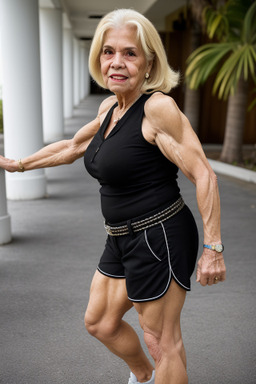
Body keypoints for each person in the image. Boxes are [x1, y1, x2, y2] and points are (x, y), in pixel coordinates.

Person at [0, 8, 226, 384]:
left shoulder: (156, 109)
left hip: (160, 237)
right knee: (101, 322)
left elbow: (203, 172)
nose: (116, 62)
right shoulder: (110, 108)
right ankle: (144, 376)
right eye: (109, 52)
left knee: (161, 340)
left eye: (130, 53)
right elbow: (72, 147)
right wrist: (18, 164)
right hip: (121, 236)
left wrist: (213, 248)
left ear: (149, 62)